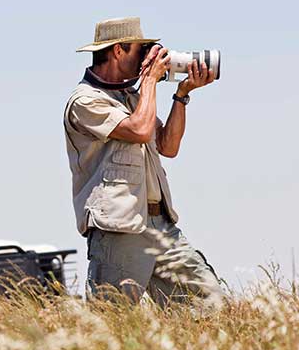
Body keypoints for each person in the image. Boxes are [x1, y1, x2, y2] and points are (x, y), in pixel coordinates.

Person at [63, 17, 224, 307]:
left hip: (160, 222)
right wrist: (149, 80)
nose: (146, 59)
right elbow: (138, 130)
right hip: (120, 227)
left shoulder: (133, 97)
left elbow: (168, 146)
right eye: (142, 50)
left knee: (207, 302)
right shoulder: (84, 101)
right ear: (118, 50)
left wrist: (182, 95)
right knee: (111, 319)